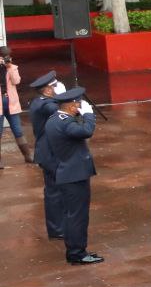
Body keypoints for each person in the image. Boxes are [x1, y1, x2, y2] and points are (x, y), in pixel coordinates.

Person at [44, 87, 103, 265]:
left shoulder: (54, 119)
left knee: (72, 215)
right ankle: (77, 252)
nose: (79, 106)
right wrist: (89, 115)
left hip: (66, 172)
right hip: (74, 174)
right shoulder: (66, 123)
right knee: (78, 216)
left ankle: (75, 249)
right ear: (70, 107)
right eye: (77, 104)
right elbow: (86, 131)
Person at [28, 71, 64, 239]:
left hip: (46, 151)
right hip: (50, 153)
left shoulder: (38, 101)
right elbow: (56, 109)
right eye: (54, 87)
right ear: (47, 90)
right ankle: (57, 229)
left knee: (53, 190)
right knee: (54, 192)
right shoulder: (46, 104)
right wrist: (64, 99)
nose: (56, 89)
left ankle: (57, 227)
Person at [0, 46, 33, 166]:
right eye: (4, 56)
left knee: (18, 130)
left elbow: (16, 81)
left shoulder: (13, 68)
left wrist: (9, 68)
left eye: (8, 56)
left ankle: (27, 156)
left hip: (11, 103)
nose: (7, 59)